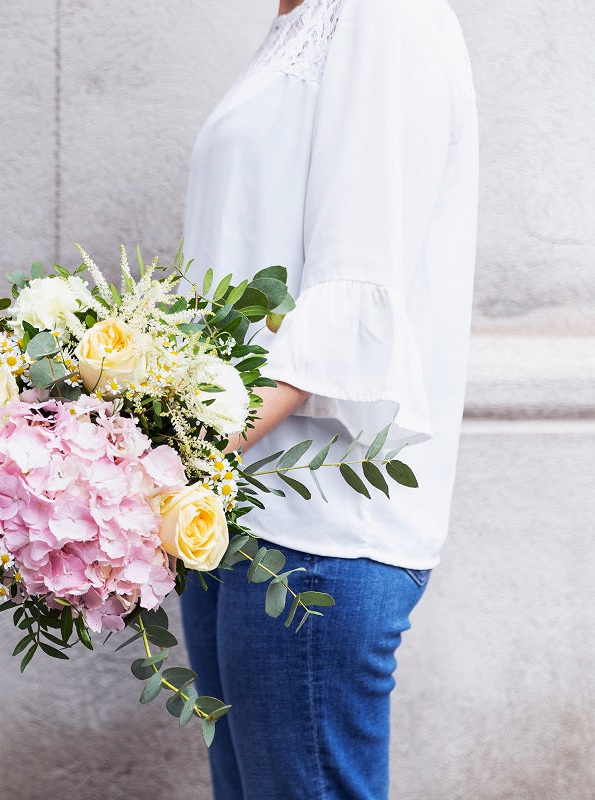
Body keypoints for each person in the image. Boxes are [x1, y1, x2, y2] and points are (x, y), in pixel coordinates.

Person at [178, 0, 478, 798]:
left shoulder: (385, 16)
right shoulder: (298, 22)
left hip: (317, 526)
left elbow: (356, 287)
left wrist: (177, 445)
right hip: (234, 509)